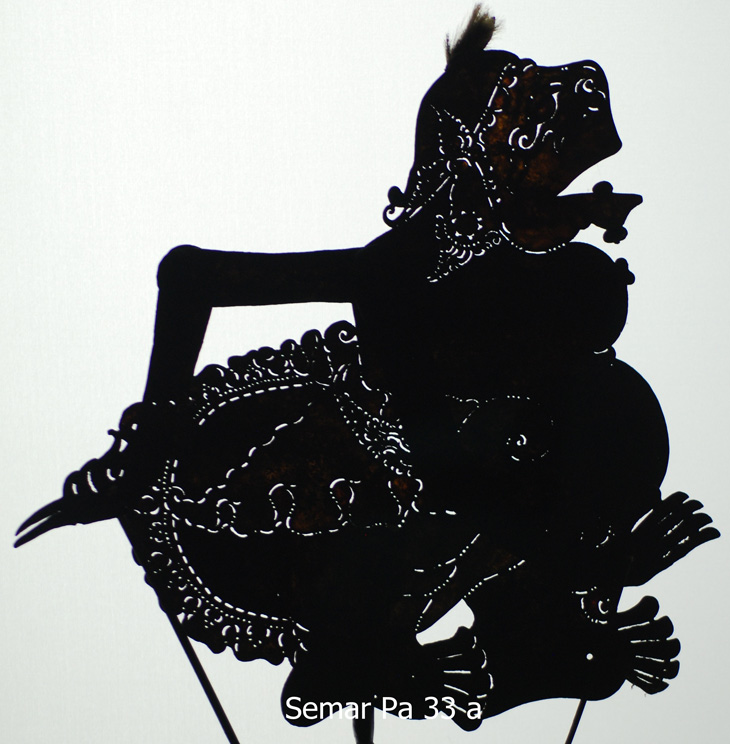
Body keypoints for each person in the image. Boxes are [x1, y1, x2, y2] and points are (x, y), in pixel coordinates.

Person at [16, 6, 718, 731]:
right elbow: (192, 275)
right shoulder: (406, 281)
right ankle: (371, 659)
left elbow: (514, 515)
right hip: (287, 500)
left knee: (485, 528)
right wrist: (152, 434)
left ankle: (409, 649)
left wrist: (599, 571)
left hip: (402, 493)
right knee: (444, 518)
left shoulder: (484, 309)